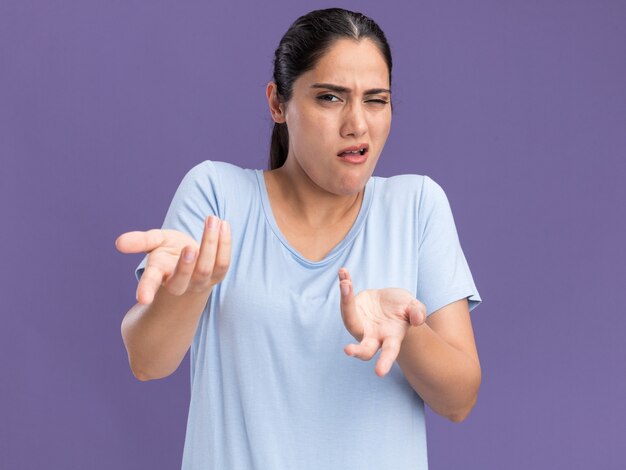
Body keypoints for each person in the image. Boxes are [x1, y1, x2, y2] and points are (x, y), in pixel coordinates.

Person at [116, 7, 482, 470]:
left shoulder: (417, 206)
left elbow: (460, 400)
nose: (357, 124)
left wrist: (409, 335)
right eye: (330, 97)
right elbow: (147, 362)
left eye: (376, 99)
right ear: (277, 103)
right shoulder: (217, 196)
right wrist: (189, 289)